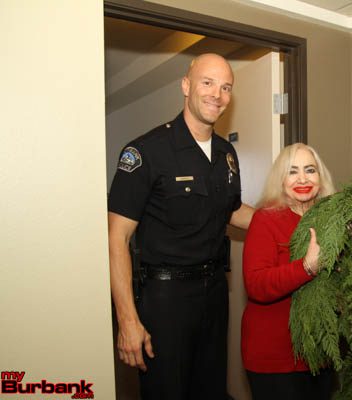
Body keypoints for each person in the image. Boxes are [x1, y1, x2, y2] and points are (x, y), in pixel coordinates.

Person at [108, 53, 254, 400]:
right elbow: (116, 238)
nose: (217, 94)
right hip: (165, 299)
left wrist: (287, 221)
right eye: (208, 83)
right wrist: (127, 320)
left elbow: (231, 210)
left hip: (215, 292)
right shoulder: (146, 151)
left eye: (226, 87)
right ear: (186, 86)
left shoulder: (226, 154)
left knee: (210, 390)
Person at [241, 143, 336, 400]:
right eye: (292, 171)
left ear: (321, 177)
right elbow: (256, 284)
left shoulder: (332, 220)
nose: (302, 179)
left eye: (310, 170)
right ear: (280, 180)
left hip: (320, 352)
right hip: (275, 358)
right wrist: (306, 267)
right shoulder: (266, 219)